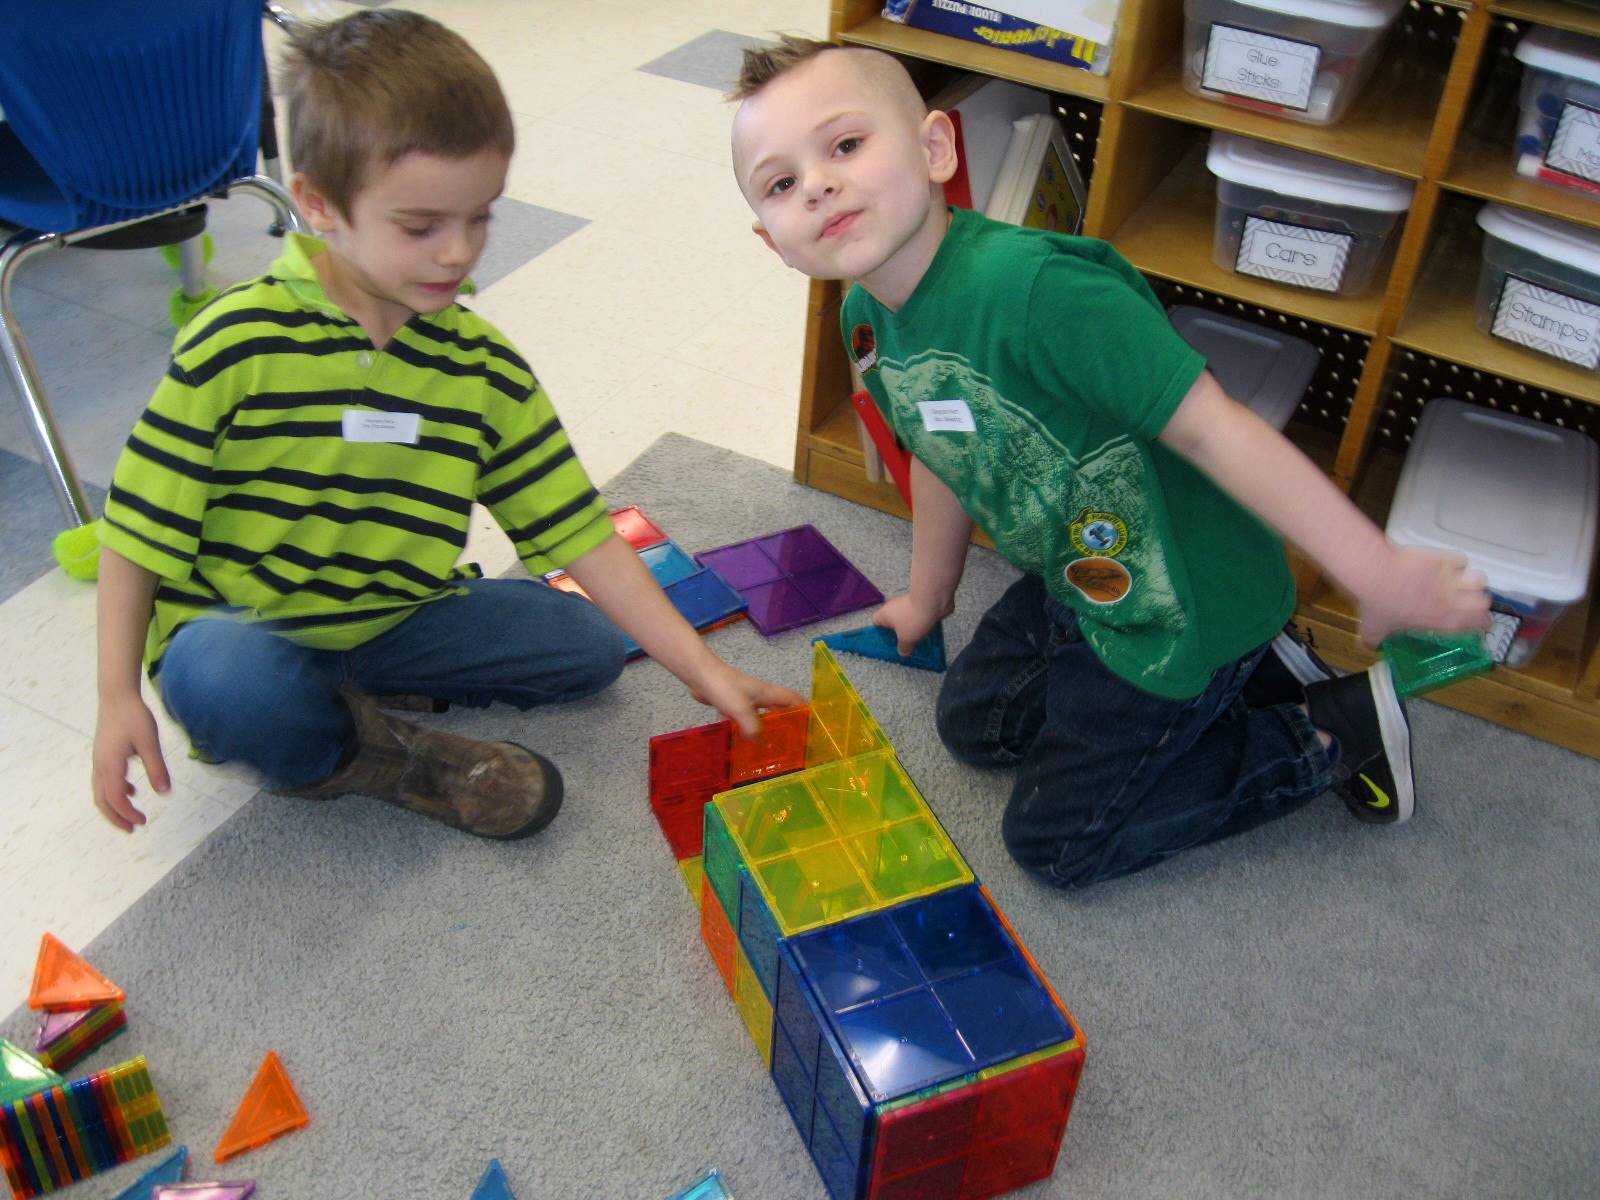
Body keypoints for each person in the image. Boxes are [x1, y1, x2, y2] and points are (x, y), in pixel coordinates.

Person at [728, 37, 1490, 888]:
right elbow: (938, 448)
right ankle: (1253, 677)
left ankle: (1324, 733)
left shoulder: (1044, 295)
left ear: (936, 148)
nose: (819, 185)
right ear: (774, 242)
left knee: (1055, 844)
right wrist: (928, 594)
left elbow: (1217, 431)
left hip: (1178, 596)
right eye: (782, 183)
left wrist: (1372, 569)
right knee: (974, 730)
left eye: (844, 145)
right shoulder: (865, 318)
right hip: (1082, 572)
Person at [90, 10, 802, 841]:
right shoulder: (233, 343)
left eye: (481, 216)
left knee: (587, 648)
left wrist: (703, 670)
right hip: (246, 625)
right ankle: (364, 754)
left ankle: (352, 696)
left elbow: (580, 533)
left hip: (394, 614)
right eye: (421, 226)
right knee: (227, 683)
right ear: (319, 203)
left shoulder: (480, 365)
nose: (458, 254)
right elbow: (136, 531)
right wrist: (114, 698)